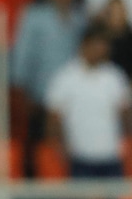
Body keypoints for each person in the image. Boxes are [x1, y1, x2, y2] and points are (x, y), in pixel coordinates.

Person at [45, 23, 131, 178]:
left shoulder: (114, 77)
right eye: (97, 44)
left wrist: (126, 144)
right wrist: (60, 148)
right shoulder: (65, 77)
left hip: (111, 156)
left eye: (104, 45)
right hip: (80, 157)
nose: (101, 49)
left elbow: (125, 115)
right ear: (84, 45)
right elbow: (54, 119)